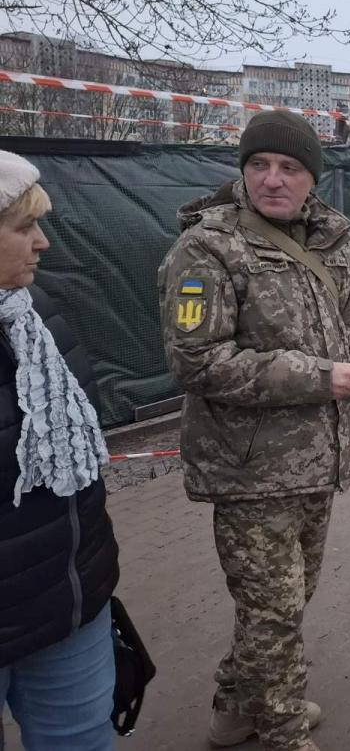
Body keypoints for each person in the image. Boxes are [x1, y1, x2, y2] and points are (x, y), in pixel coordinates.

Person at [157, 111, 350, 751]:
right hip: (248, 467)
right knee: (274, 611)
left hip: (317, 456)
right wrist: (319, 376)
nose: (272, 179)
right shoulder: (206, 248)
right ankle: (283, 732)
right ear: (243, 170)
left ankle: (234, 711)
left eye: (289, 167)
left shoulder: (328, 238)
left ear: (312, 177)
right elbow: (196, 362)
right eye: (259, 165)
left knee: (286, 599)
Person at [0, 149, 120, 751]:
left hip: (67, 604)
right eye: (25, 227)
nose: (42, 243)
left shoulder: (34, 317)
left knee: (82, 739)